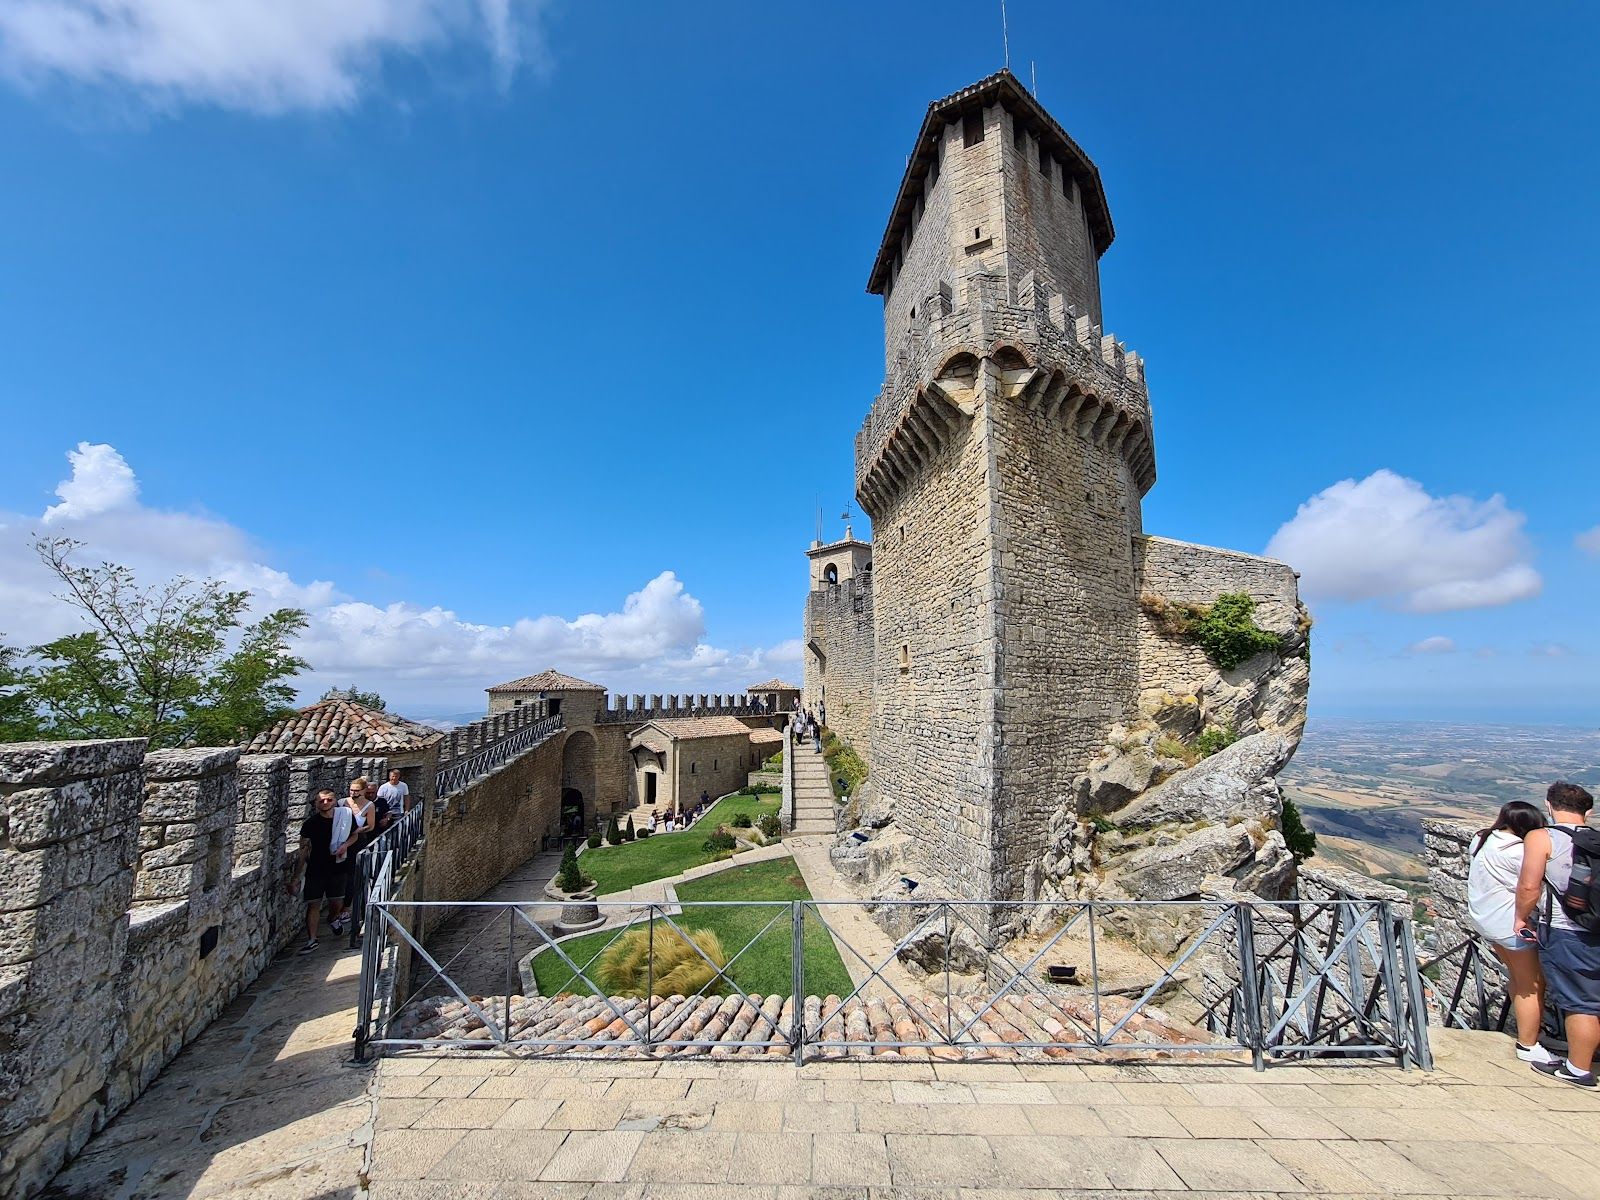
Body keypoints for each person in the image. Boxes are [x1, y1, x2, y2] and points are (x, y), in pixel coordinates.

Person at [1515, 781, 1600, 1087]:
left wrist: (1521, 919)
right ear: (1587, 812)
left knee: (1580, 1003)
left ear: (1549, 805)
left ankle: (1577, 1069)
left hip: (1566, 930)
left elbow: (1528, 886)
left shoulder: (1542, 837)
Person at [1466, 801, 1555, 1064]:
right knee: (1532, 985)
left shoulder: (1481, 839)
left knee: (1517, 977)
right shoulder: (1516, 853)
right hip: (1511, 926)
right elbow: (1532, 886)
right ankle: (1528, 1045)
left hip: (1487, 921)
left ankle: (1526, 1033)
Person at [286, 789, 361, 954]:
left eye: (328, 800)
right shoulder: (310, 824)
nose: (325, 803)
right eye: (321, 801)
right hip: (316, 868)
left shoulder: (345, 817)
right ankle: (312, 940)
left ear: (335, 801)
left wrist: (345, 846)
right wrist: (296, 877)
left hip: (338, 867)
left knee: (337, 903)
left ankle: (333, 918)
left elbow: (355, 835)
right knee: (313, 904)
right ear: (316, 804)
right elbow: (303, 849)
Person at [334, 779, 378, 935]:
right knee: (338, 875)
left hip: (357, 843)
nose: (353, 793)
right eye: (351, 790)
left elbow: (371, 826)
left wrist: (359, 830)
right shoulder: (340, 803)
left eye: (356, 790)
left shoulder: (369, 806)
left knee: (352, 876)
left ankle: (346, 907)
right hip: (339, 841)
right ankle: (336, 909)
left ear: (364, 791)